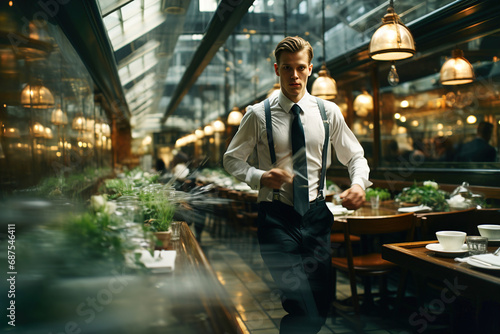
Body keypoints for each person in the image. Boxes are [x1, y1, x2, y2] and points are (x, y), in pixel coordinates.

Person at [223, 36, 371, 334]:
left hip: (317, 218)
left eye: (300, 68)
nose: (294, 75)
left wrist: (359, 185)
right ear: (277, 70)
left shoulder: (328, 113)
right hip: (276, 218)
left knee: (321, 303)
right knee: (300, 303)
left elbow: (355, 156)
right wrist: (260, 177)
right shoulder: (257, 114)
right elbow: (231, 160)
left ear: (310, 69)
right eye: (287, 68)